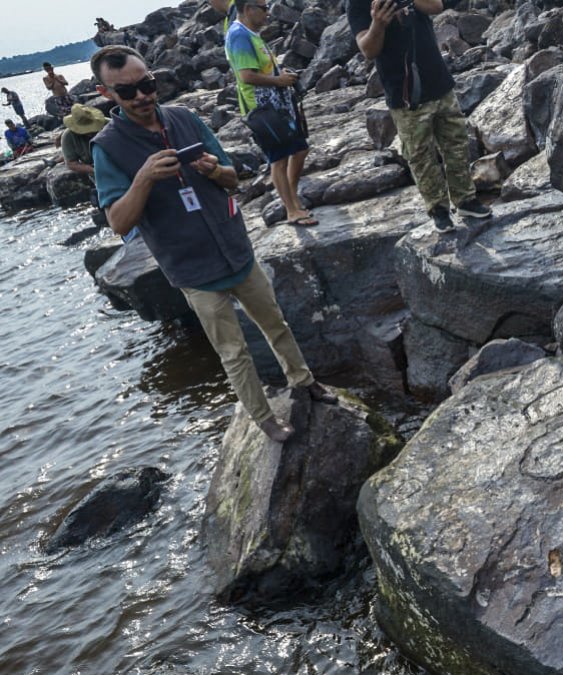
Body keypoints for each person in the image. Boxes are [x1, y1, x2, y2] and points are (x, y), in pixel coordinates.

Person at [89, 45, 336, 442]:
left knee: (276, 324)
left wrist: (213, 169)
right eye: (127, 92)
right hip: (192, 268)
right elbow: (118, 221)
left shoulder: (184, 118)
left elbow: (232, 178)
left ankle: (304, 382)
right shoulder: (107, 147)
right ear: (106, 95)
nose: (142, 96)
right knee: (234, 352)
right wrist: (144, 178)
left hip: (234, 246)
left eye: (147, 84)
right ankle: (265, 421)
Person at [348, 0, 492, 231]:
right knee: (420, 156)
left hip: (438, 81)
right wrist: (378, 24)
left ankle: (466, 200)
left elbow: (436, 6)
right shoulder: (357, 4)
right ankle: (438, 209)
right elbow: (368, 50)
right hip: (404, 94)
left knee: (457, 144)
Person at [226, 0, 316, 226]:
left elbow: (260, 68)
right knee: (279, 158)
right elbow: (246, 75)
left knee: (299, 149)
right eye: (264, 8)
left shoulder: (250, 33)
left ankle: (292, 198)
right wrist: (279, 80)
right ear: (248, 9)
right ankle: (291, 210)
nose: (268, 13)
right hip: (262, 109)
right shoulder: (239, 35)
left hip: (277, 106)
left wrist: (280, 74)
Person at [60, 104, 108, 180]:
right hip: (98, 175)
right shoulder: (68, 136)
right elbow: (71, 163)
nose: (90, 132)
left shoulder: (110, 124)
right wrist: (93, 170)